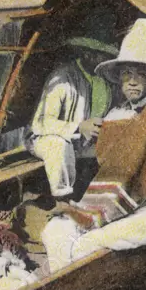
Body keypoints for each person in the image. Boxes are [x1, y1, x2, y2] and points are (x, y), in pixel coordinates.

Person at [41, 18, 146, 273]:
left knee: (88, 243)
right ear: (119, 78)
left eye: (141, 74)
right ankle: (67, 286)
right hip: (118, 206)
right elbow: (110, 168)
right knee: (54, 231)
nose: (134, 81)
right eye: (128, 74)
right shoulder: (116, 115)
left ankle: (68, 285)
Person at [25, 35, 119, 201]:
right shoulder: (62, 78)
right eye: (103, 56)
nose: (106, 61)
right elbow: (41, 123)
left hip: (82, 144)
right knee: (58, 145)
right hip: (46, 139)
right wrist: (79, 127)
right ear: (88, 55)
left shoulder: (104, 82)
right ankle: (62, 200)